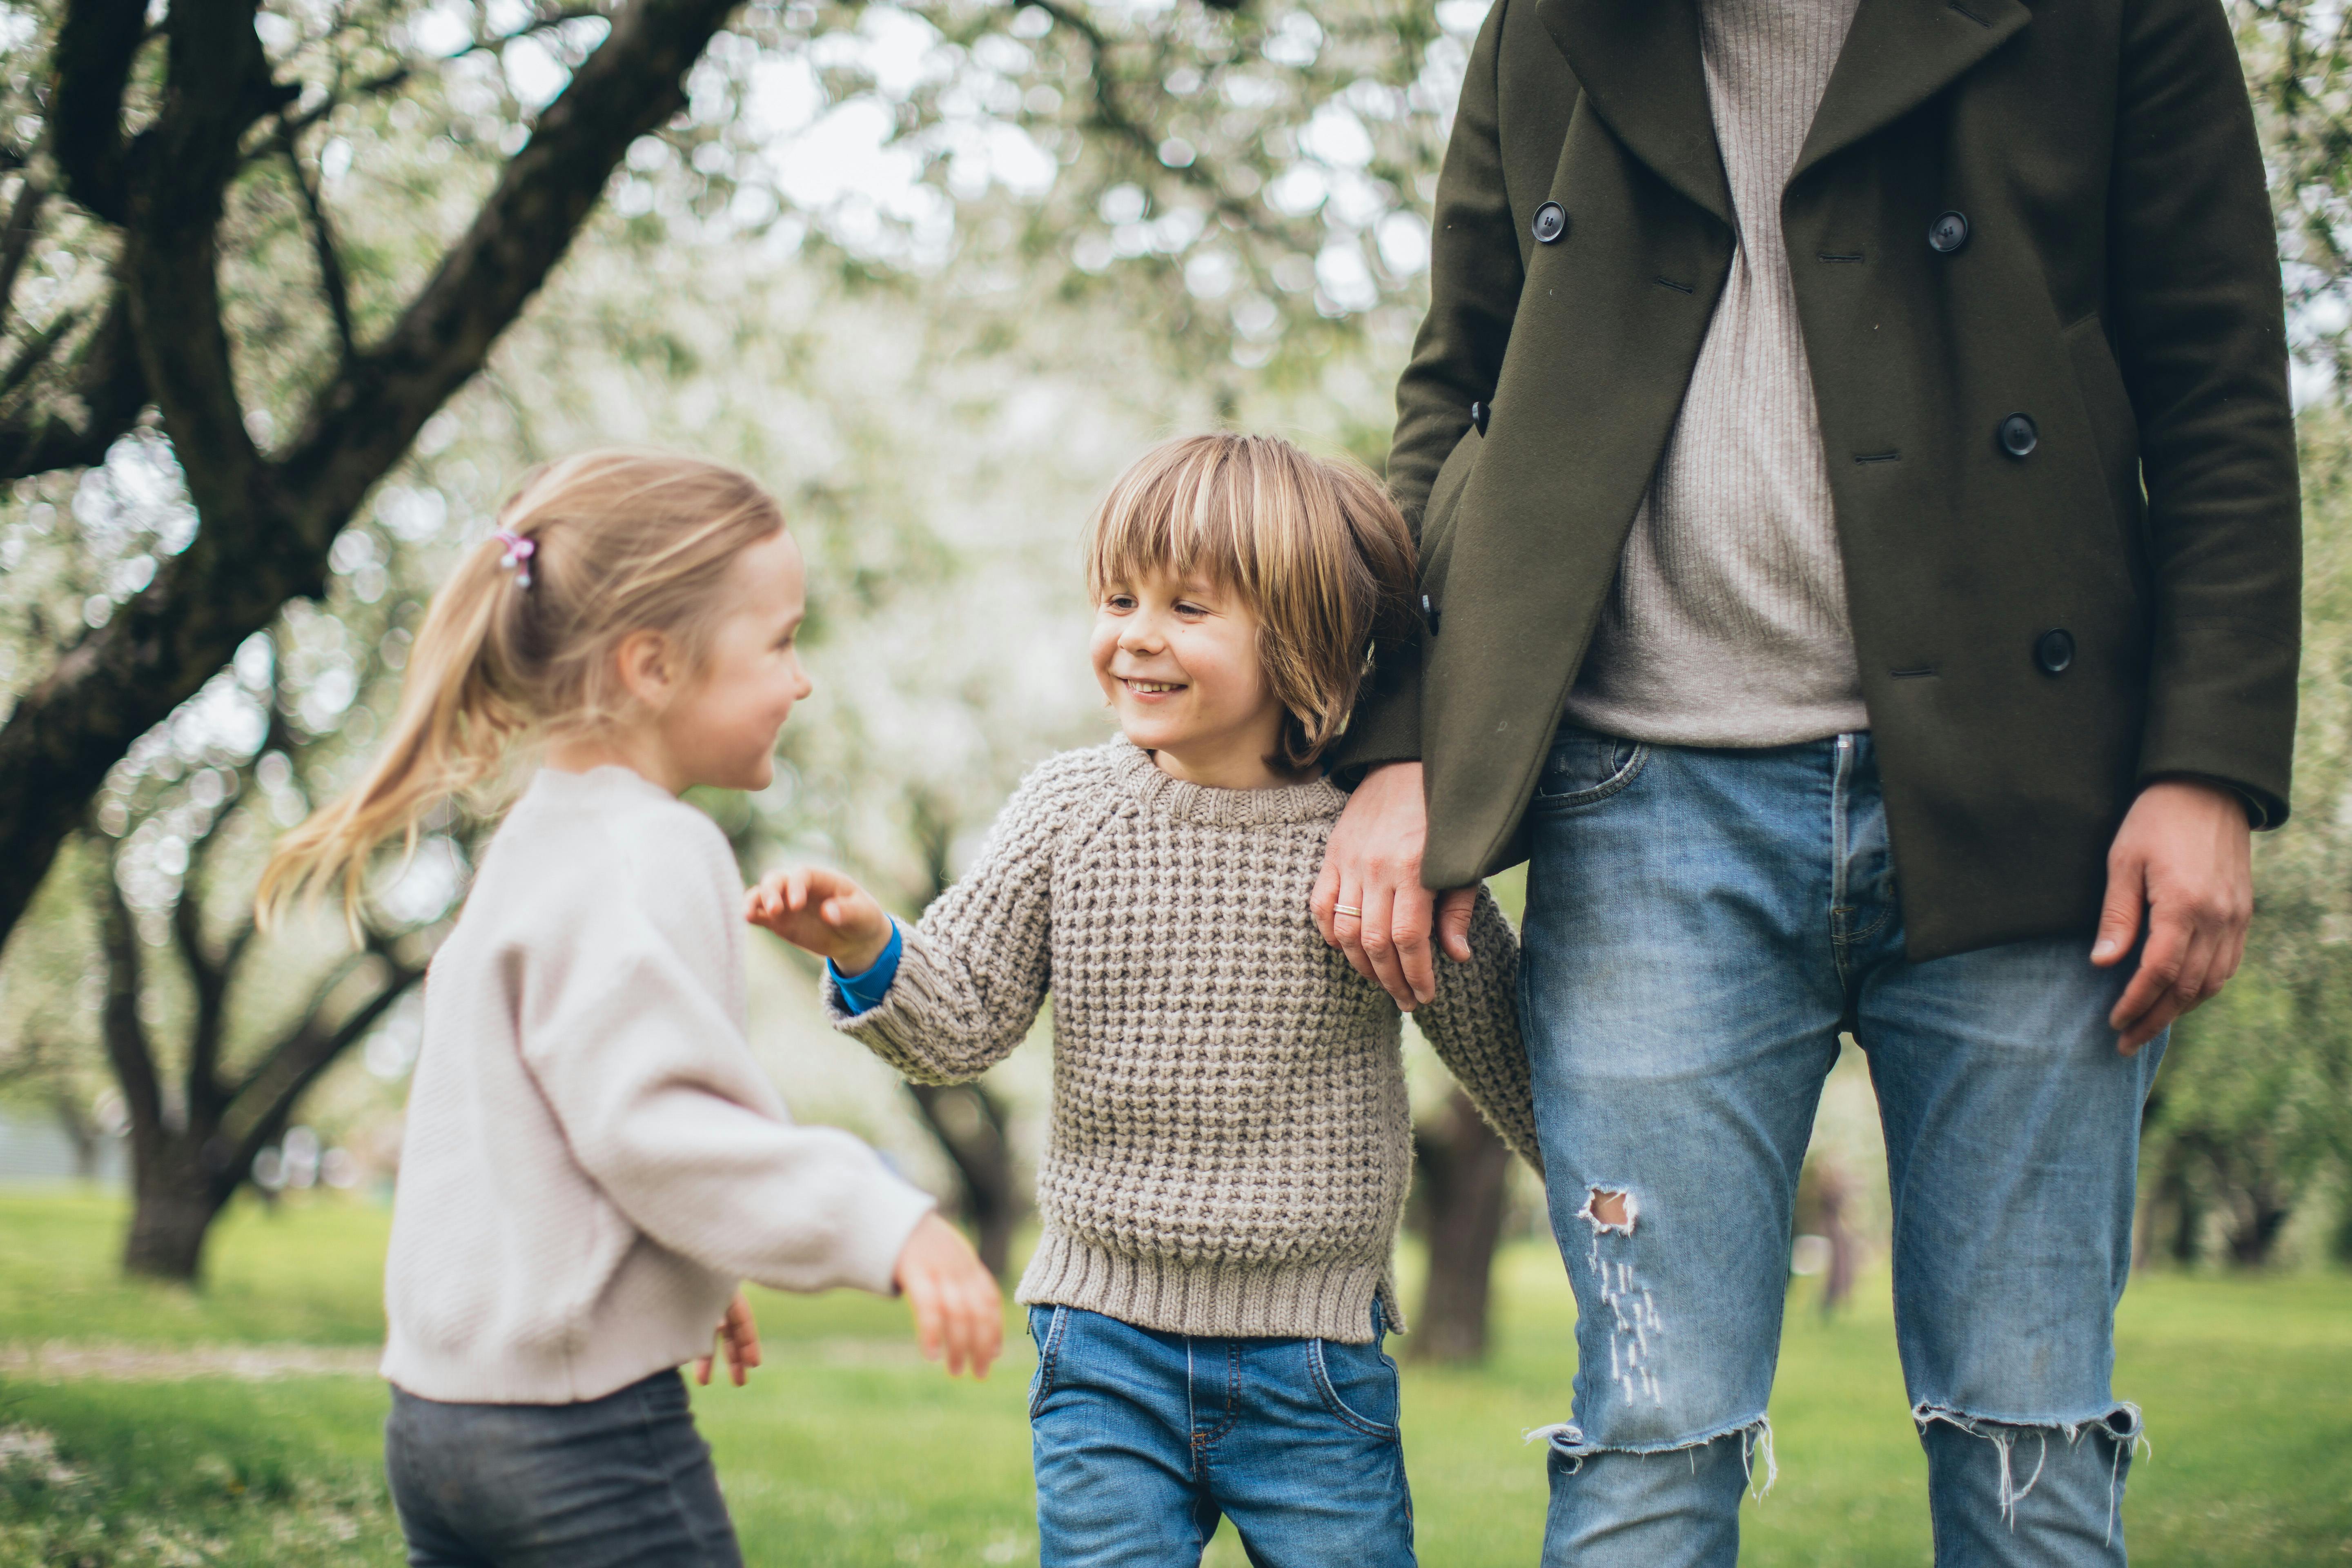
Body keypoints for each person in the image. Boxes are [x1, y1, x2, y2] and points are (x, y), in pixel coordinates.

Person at [1313, 1, 2300, 1564]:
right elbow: (1456, 396)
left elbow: (2221, 390)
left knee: (2032, 1446)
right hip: (1640, 802)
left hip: (2037, 807)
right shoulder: (1551, 22)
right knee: (1648, 1433)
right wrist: (1401, 736)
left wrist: (2209, 768)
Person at [746, 433, 1542, 1568]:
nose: (1135, 635)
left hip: (1312, 1353)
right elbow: (962, 1019)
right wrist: (869, 947)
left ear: (1304, 638)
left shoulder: (1373, 842)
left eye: (1188, 608)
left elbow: (1504, 1043)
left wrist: (1621, 1199)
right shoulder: (1069, 812)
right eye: (1119, 598)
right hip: (1103, 1345)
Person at [258, 451, 1004, 1568]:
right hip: (576, 1446)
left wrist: (666, 1275)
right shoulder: (652, 847)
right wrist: (888, 1223)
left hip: (439, 1427)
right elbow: (655, 1127)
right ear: (652, 666)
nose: (801, 682)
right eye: (780, 643)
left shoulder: (537, 841)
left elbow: (539, 1132)